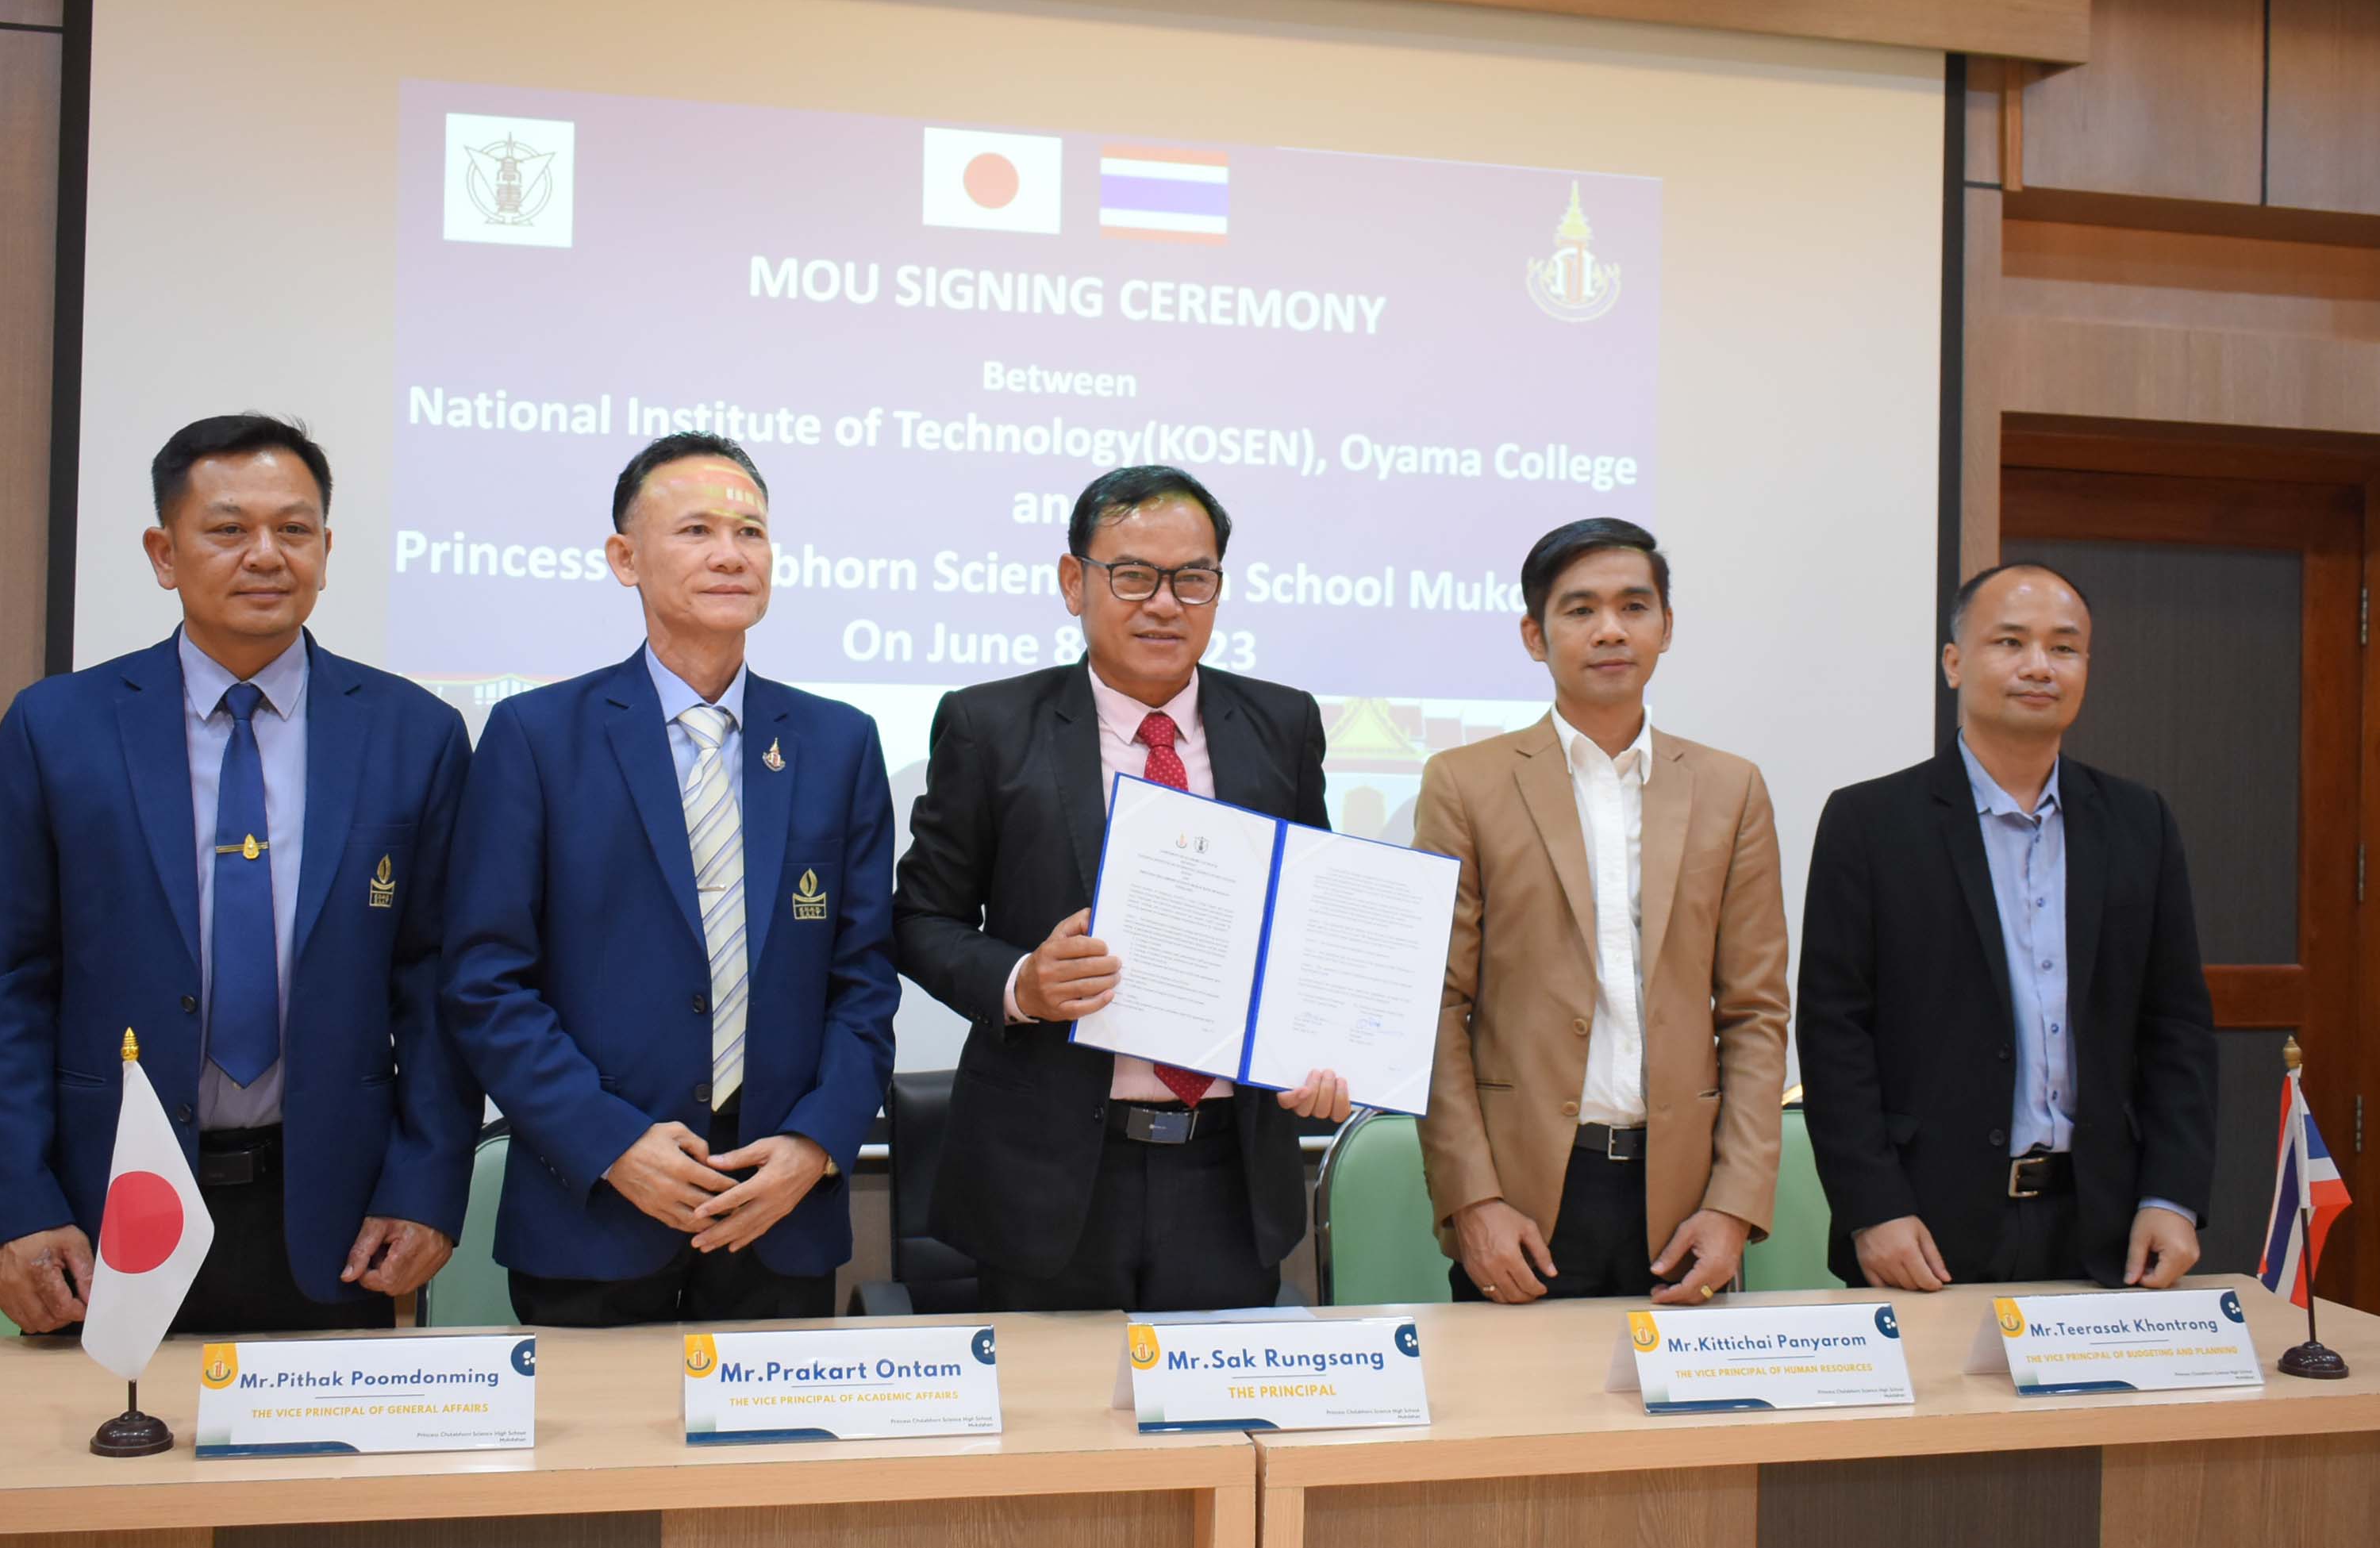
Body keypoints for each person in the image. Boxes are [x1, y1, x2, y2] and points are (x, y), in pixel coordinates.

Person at [0, 414, 477, 1336]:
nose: (265, 554)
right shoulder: (58, 727)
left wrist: (425, 1186)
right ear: (164, 553)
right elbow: (5, 985)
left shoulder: (413, 733)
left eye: (294, 529)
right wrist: (18, 1202)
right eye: (229, 528)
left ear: (326, 551)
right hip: (106, 1210)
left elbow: (436, 986)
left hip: (334, 1215)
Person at [445, 434, 895, 1324]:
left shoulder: (837, 742)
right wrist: (610, 1142)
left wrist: (814, 1143)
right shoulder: (537, 736)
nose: (730, 554)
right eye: (696, 530)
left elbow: (865, 978)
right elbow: (485, 980)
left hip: (779, 1208)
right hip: (596, 1204)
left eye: (750, 532)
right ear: (625, 559)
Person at [896, 465, 1351, 1312]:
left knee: (1216, 1398)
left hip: (1229, 1172)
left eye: (1192, 578)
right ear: (1075, 582)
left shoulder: (1282, 723)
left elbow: (1310, 923)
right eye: (1134, 575)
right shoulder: (989, 725)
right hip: (1049, 1173)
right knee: (1054, 1400)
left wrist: (1323, 1046)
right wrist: (1020, 983)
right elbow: (921, 916)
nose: (1164, 604)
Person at [1797, 562, 2217, 1291]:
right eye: (2010, 642)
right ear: (1953, 662)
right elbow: (1834, 1031)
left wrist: (2170, 1196)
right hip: (1925, 1227)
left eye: (2064, 647)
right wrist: (1873, 1208)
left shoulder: (2137, 820)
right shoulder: (1869, 822)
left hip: (2107, 1224)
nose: (2038, 666)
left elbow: (2175, 1024)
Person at [1414, 519, 1788, 1305]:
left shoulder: (1731, 788)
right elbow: (1436, 1006)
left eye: (1633, 606)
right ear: (1534, 635)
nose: (1610, 629)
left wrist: (1733, 1204)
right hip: (1523, 1198)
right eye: (1580, 609)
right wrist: (1472, 1201)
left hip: (1684, 1199)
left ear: (1666, 627)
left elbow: (1755, 1011)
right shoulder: (1464, 783)